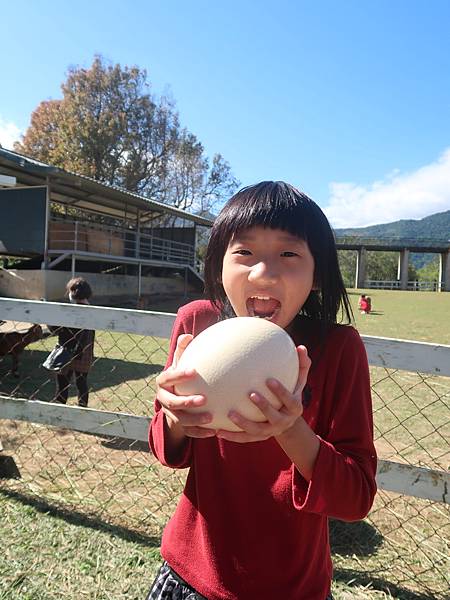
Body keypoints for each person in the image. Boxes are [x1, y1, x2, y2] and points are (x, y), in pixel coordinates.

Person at [148, 182, 377, 600]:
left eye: (289, 254)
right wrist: (177, 418)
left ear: (318, 274)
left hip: (292, 587)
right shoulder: (195, 324)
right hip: (190, 573)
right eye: (244, 253)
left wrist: (291, 429)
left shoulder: (339, 349)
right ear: (218, 264)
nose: (263, 273)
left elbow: (356, 497)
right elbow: (167, 451)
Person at [50, 277, 95, 407]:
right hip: (85, 352)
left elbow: (56, 330)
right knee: (81, 383)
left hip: (67, 351)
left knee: (62, 383)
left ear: (74, 292)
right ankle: (82, 408)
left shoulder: (70, 311)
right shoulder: (92, 310)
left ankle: (59, 408)